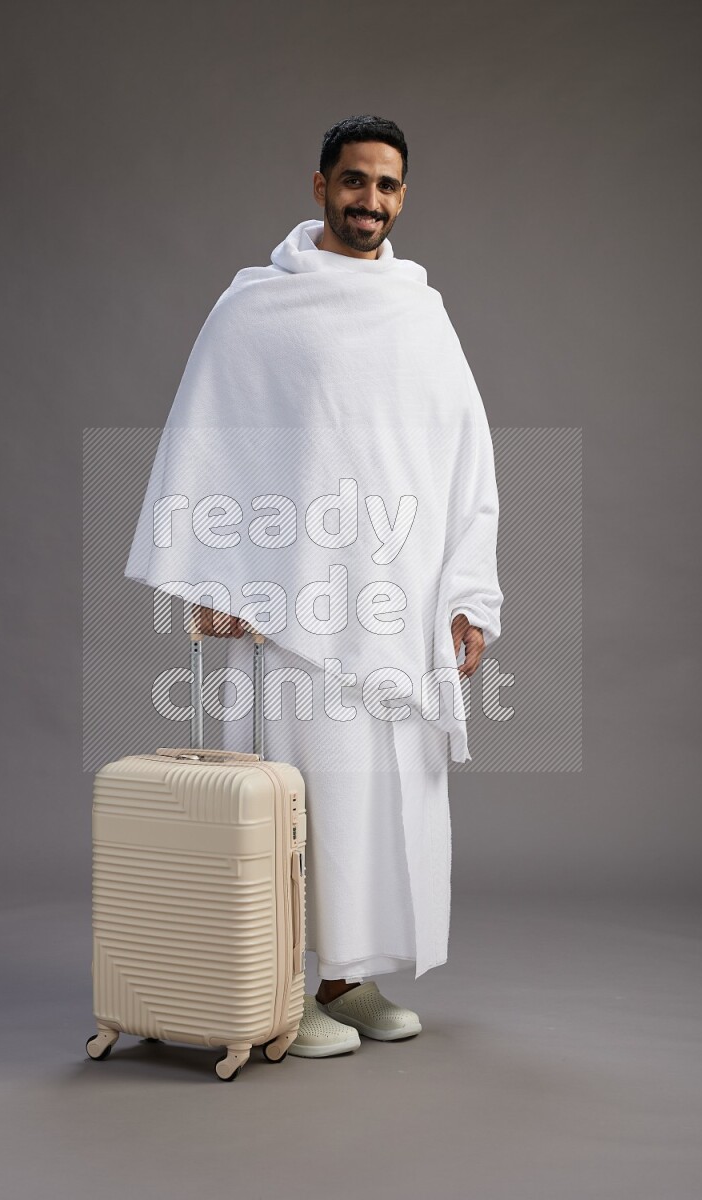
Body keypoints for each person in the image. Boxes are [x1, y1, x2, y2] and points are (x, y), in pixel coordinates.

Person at [125, 114, 503, 1058]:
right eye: (354, 180)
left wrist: (468, 593)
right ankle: (277, 989)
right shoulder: (258, 307)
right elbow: (208, 434)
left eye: (386, 184)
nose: (369, 199)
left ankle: (346, 979)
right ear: (321, 185)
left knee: (376, 799)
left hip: (395, 600)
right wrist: (216, 573)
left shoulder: (420, 313)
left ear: (402, 196)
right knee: (294, 796)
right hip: (289, 606)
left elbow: (467, 458)